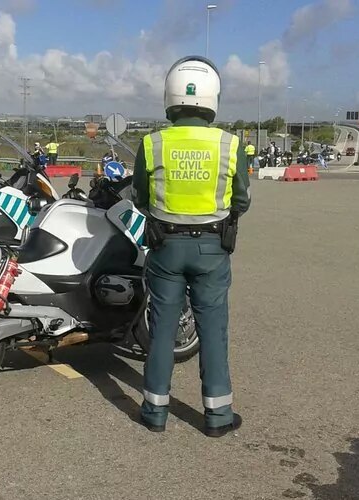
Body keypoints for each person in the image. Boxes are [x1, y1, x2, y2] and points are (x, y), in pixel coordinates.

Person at [132, 56, 250, 437]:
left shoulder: (152, 143)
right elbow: (242, 200)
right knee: (212, 330)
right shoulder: (230, 145)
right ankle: (217, 416)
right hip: (213, 248)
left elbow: (139, 197)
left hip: (165, 247)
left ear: (170, 96)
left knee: (162, 329)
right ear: (213, 98)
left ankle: (154, 412)